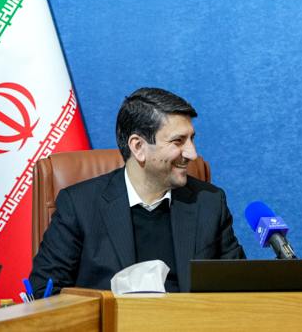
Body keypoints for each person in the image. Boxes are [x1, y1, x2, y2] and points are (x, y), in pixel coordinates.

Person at [29, 88, 244, 295]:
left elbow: (240, 289)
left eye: (191, 139)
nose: (192, 153)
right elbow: (46, 293)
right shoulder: (79, 205)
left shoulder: (209, 202)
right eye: (178, 141)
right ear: (138, 147)